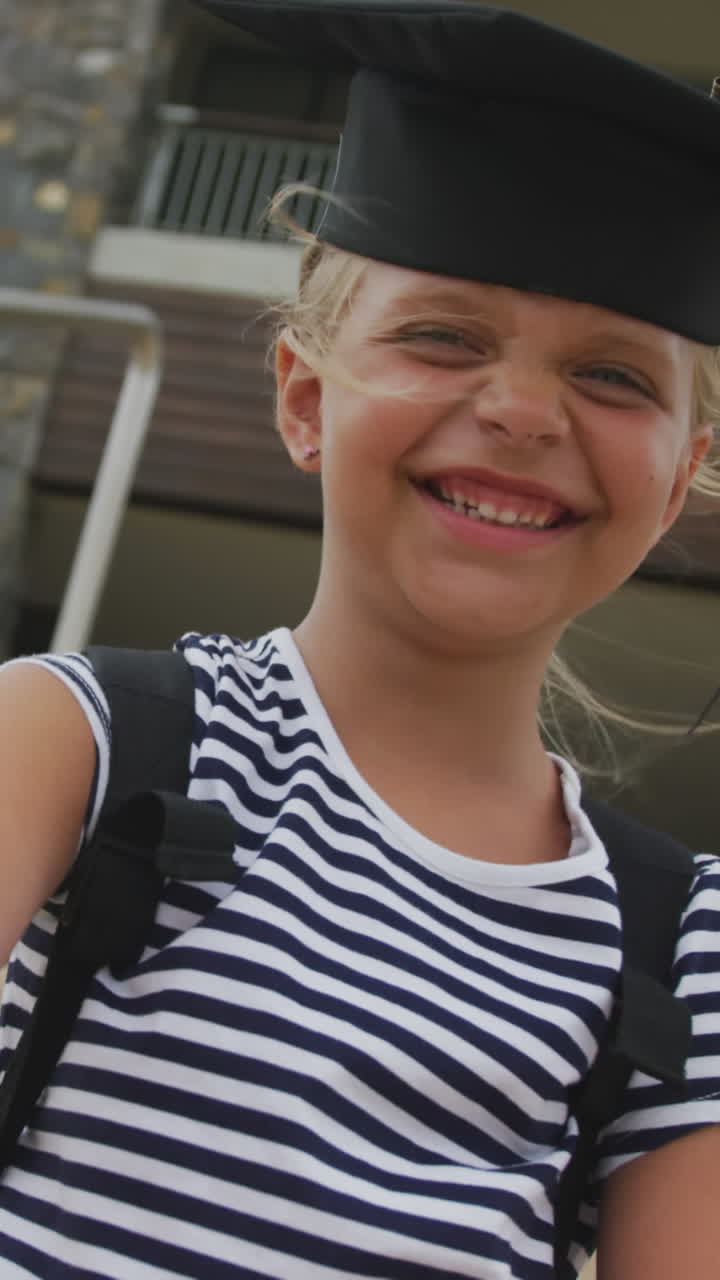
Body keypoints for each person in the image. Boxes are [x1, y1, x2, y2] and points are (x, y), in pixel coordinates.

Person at [1, 2, 720, 1276]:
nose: (518, 411)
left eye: (615, 376)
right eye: (442, 335)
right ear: (303, 397)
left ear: (679, 482)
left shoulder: (681, 945)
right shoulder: (72, 744)